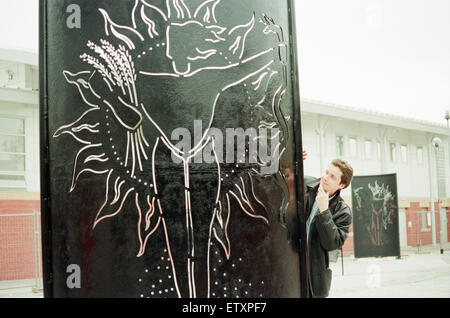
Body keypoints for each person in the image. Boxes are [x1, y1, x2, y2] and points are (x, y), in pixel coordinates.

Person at [302, 152, 353, 298]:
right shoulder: (305, 184)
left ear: (341, 185)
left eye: (332, 177)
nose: (326, 178)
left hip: (313, 278)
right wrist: (292, 161)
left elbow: (332, 243)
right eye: (327, 172)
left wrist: (324, 210)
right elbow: (278, 180)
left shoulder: (343, 211)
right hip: (289, 265)